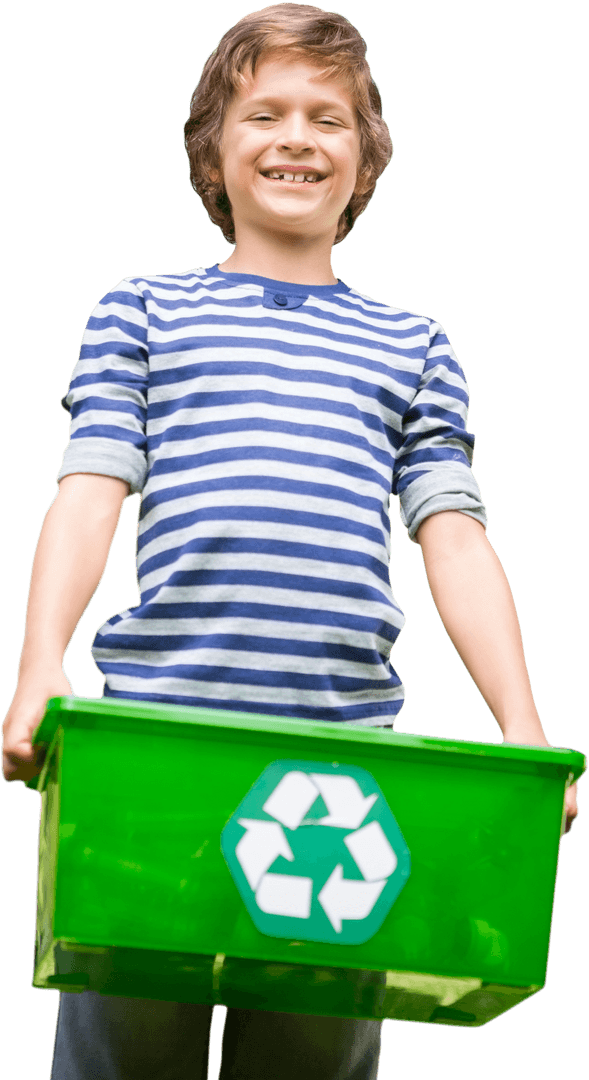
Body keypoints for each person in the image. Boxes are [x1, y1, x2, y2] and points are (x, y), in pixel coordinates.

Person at [1, 4, 579, 1079]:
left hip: (344, 767)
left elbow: (452, 538)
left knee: (310, 1062)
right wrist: (40, 665)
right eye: (262, 113)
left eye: (329, 117)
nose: (296, 137)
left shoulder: (413, 347)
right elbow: (91, 490)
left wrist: (519, 722)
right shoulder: (142, 312)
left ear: (364, 160)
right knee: (124, 1052)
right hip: (154, 757)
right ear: (212, 150)